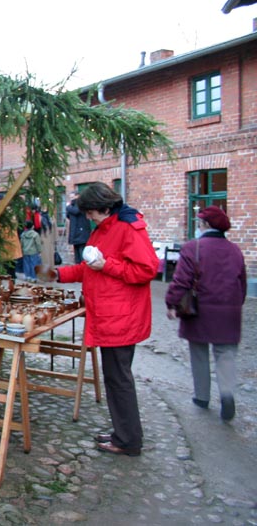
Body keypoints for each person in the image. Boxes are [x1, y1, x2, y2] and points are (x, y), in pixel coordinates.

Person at [38, 182, 158, 456]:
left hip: (121, 317)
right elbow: (89, 268)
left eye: (90, 212)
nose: (88, 217)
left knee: (119, 380)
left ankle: (128, 441)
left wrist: (108, 265)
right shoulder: (104, 228)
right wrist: (59, 274)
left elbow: (147, 269)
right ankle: (124, 433)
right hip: (111, 315)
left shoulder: (127, 228)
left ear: (104, 207)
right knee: (115, 378)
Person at [165, 206, 246, 421]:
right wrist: (237, 303)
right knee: (226, 354)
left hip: (199, 309)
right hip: (229, 311)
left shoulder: (193, 248)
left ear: (206, 225)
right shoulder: (235, 250)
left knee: (199, 353)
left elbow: (181, 280)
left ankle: (202, 396)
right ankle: (227, 393)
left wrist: (172, 303)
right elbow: (242, 282)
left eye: (200, 223)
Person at [66, 190, 91, 264]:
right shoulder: (72, 206)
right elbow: (69, 216)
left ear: (77, 196)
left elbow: (76, 211)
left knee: (82, 255)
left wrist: (68, 207)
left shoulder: (81, 204)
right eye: (70, 197)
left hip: (81, 234)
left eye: (73, 197)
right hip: (75, 234)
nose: (71, 199)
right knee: (77, 256)